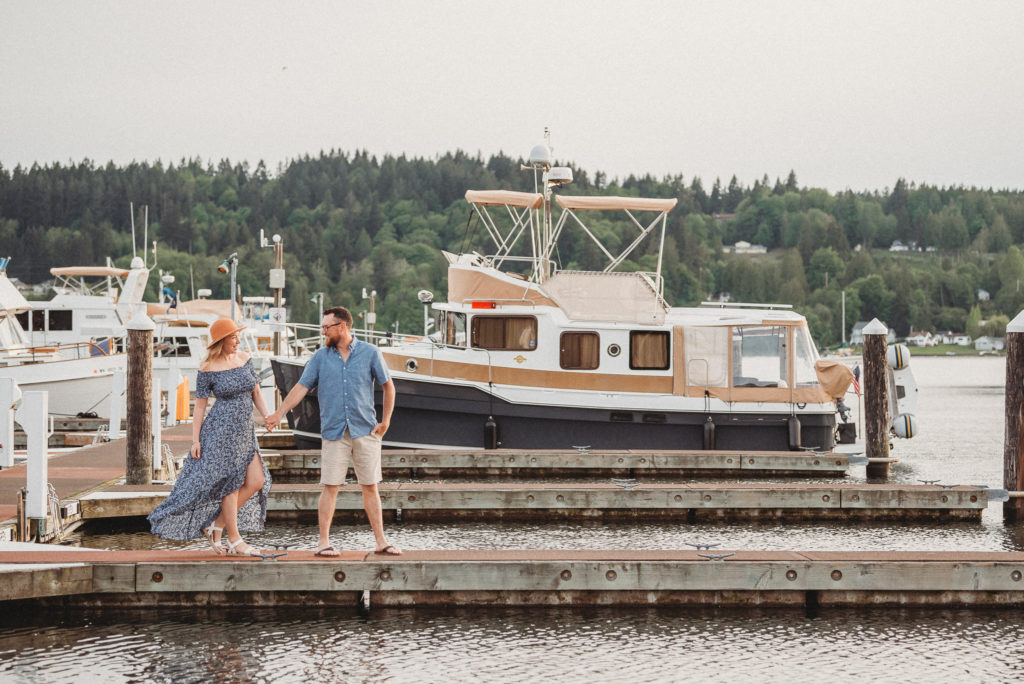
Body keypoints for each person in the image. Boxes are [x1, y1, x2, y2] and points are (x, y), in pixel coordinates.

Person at [265, 306, 401, 557]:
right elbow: (300, 388)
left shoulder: (370, 353)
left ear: (342, 327)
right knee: (330, 486)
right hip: (333, 431)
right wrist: (279, 413)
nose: (323, 331)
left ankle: (381, 541)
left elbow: (388, 387)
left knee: (370, 486)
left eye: (326, 327)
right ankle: (324, 543)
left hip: (365, 429)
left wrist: (386, 421)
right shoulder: (319, 357)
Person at [148, 317, 272, 556]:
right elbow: (200, 408)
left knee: (256, 481)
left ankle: (217, 524)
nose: (237, 340)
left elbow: (256, 391)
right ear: (221, 341)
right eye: (233, 337)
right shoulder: (206, 369)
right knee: (231, 484)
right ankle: (235, 540)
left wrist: (267, 416)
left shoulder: (245, 359)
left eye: (237, 336)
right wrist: (195, 440)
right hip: (220, 432)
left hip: (245, 431)